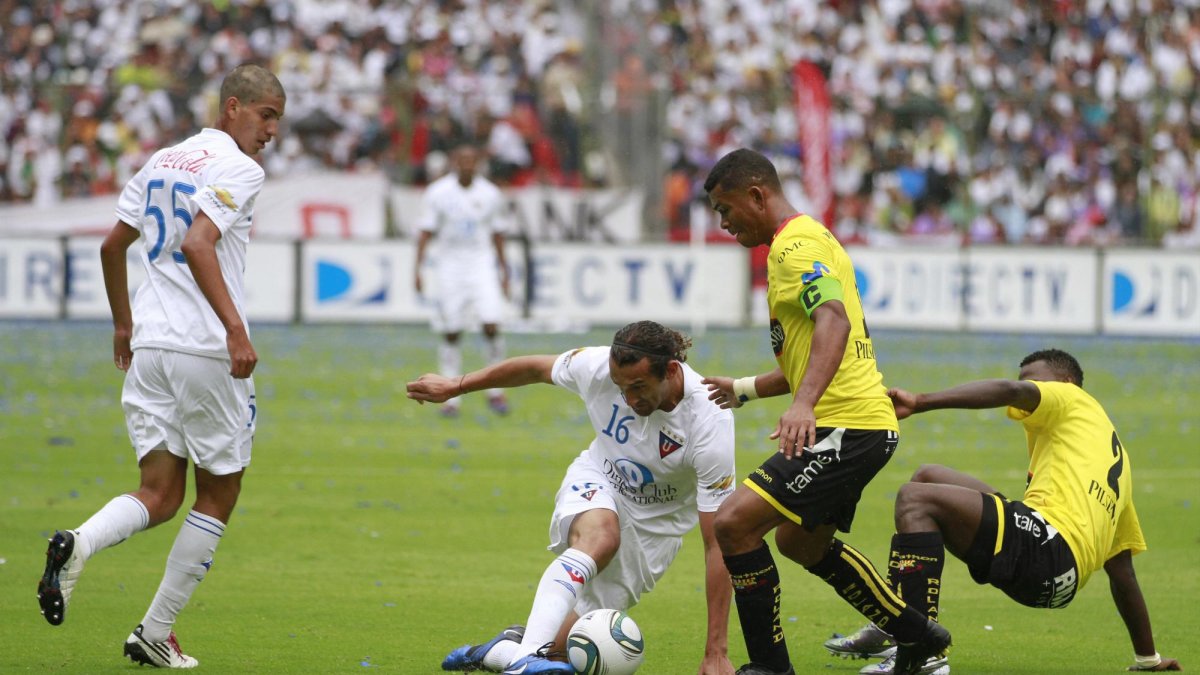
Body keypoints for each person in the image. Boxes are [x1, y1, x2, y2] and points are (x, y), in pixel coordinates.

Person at [36, 63, 285, 668]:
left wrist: (123, 323)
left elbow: (111, 245)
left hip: (150, 348)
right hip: (203, 350)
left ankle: (79, 543)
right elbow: (198, 243)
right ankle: (155, 630)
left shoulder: (163, 160)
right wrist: (234, 329)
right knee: (220, 493)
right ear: (232, 108)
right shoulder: (239, 168)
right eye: (266, 116)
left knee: (160, 492)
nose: (271, 131)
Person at [701, 148, 950, 675]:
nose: (723, 224)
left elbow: (832, 322)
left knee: (733, 524)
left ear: (756, 195)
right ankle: (918, 635)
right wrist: (744, 389)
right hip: (859, 423)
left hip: (846, 425)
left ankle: (771, 667)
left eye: (725, 210)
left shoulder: (795, 246)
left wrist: (804, 405)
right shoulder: (807, 239)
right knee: (800, 541)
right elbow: (810, 352)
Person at [407, 321, 738, 675]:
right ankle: (524, 658)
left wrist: (715, 652)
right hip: (599, 478)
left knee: (559, 655)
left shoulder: (709, 420)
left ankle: (503, 651)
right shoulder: (596, 366)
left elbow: (718, 542)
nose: (628, 398)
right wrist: (456, 385)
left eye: (639, 387)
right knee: (602, 538)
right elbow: (534, 368)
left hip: (657, 527)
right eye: (620, 387)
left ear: (671, 371)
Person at [828, 349, 1183, 674]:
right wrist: (1147, 659)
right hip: (1059, 577)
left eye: (1034, 378)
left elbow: (1011, 391)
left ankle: (921, 649)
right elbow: (1123, 572)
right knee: (928, 477)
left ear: (1066, 383)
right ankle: (896, 621)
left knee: (913, 499)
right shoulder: (1109, 458)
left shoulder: (1074, 399)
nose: (1026, 384)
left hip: (1048, 550)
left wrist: (921, 401)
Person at [413, 143, 512, 418]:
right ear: (454, 162)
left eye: (472, 160)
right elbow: (425, 232)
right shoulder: (438, 193)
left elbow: (499, 234)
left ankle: (496, 391)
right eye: (462, 160)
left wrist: (505, 272)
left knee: (491, 324)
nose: (467, 165)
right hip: (450, 266)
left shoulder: (490, 194)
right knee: (452, 331)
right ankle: (450, 397)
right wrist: (417, 269)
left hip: (481, 264)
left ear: (478, 163)